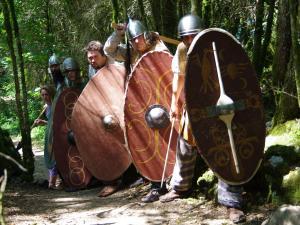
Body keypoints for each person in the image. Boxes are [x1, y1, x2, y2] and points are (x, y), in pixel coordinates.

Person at [159, 14, 246, 224]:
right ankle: (180, 188)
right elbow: (179, 80)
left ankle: (231, 203)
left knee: (223, 147)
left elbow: (236, 77)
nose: (189, 41)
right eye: (186, 38)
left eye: (193, 36)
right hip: (195, 106)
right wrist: (174, 104)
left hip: (221, 106)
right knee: (185, 143)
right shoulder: (181, 50)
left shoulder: (216, 43)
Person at [104, 18, 169, 203]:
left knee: (165, 144)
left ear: (145, 36)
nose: (136, 42)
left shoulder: (158, 48)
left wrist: (157, 42)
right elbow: (108, 50)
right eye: (132, 39)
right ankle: (155, 184)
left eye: (139, 38)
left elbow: (166, 67)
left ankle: (166, 182)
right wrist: (118, 33)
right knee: (148, 145)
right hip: (142, 104)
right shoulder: (131, 52)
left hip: (162, 102)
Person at [33, 86, 61, 189]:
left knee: (55, 157)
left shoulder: (56, 105)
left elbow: (57, 121)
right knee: (49, 156)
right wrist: (41, 122)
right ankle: (52, 182)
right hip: (49, 134)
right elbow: (49, 123)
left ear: (51, 94)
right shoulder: (46, 107)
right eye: (43, 95)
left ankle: (52, 183)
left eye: (47, 94)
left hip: (57, 134)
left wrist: (43, 122)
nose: (45, 97)